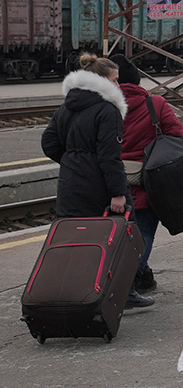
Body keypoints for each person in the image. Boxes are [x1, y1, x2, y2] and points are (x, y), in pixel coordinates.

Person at [41, 53, 153, 309]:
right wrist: (117, 193)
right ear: (101, 81)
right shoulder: (108, 109)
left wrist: (73, 163)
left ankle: (71, 292)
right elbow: (109, 157)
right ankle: (125, 293)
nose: (117, 86)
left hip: (70, 186)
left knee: (74, 243)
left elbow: (48, 144)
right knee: (123, 238)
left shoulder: (66, 106)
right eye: (114, 80)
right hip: (100, 187)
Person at [110, 54, 183, 294]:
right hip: (146, 182)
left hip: (109, 181)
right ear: (137, 81)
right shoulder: (155, 104)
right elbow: (179, 137)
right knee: (142, 234)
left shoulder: (102, 105)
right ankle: (128, 283)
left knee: (112, 236)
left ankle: (138, 276)